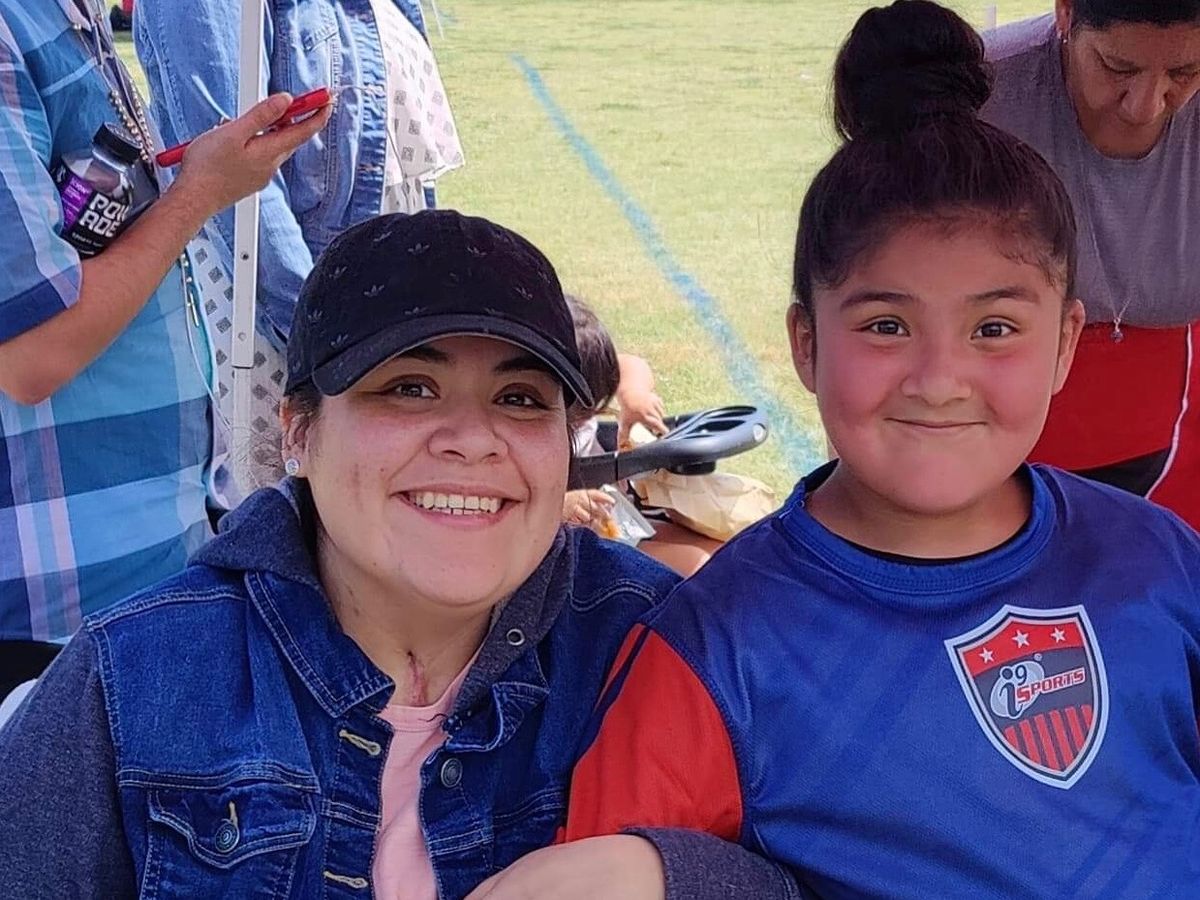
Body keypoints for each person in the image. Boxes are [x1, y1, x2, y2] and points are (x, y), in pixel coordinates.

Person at [526, 3, 1196, 897]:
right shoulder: (717, 649)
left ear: (1066, 344)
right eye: (886, 325)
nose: (940, 380)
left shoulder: (1158, 562)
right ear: (806, 344)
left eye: (995, 328)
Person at [0, 210, 798, 900]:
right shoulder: (131, 680)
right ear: (298, 431)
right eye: (409, 387)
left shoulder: (660, 647)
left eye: (519, 399)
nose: (473, 439)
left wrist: (665, 872)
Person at [0, 0, 328, 697]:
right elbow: (30, 354)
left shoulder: (67, 18)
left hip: (131, 570)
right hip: (54, 611)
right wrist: (199, 192)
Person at [134, 0, 466, 480]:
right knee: (292, 507)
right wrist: (333, 345)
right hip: (276, 314)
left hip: (369, 312)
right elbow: (237, 186)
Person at [981, 0, 1200, 528]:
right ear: (1065, 13)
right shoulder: (978, 92)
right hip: (992, 425)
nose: (1145, 105)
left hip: (1179, 435)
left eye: (1185, 72)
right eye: (1117, 67)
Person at [562, 294, 722, 576]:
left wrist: (633, 395)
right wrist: (563, 507)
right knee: (701, 566)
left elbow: (628, 365)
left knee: (729, 548)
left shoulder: (581, 383)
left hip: (618, 515)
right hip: (578, 546)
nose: (591, 414)